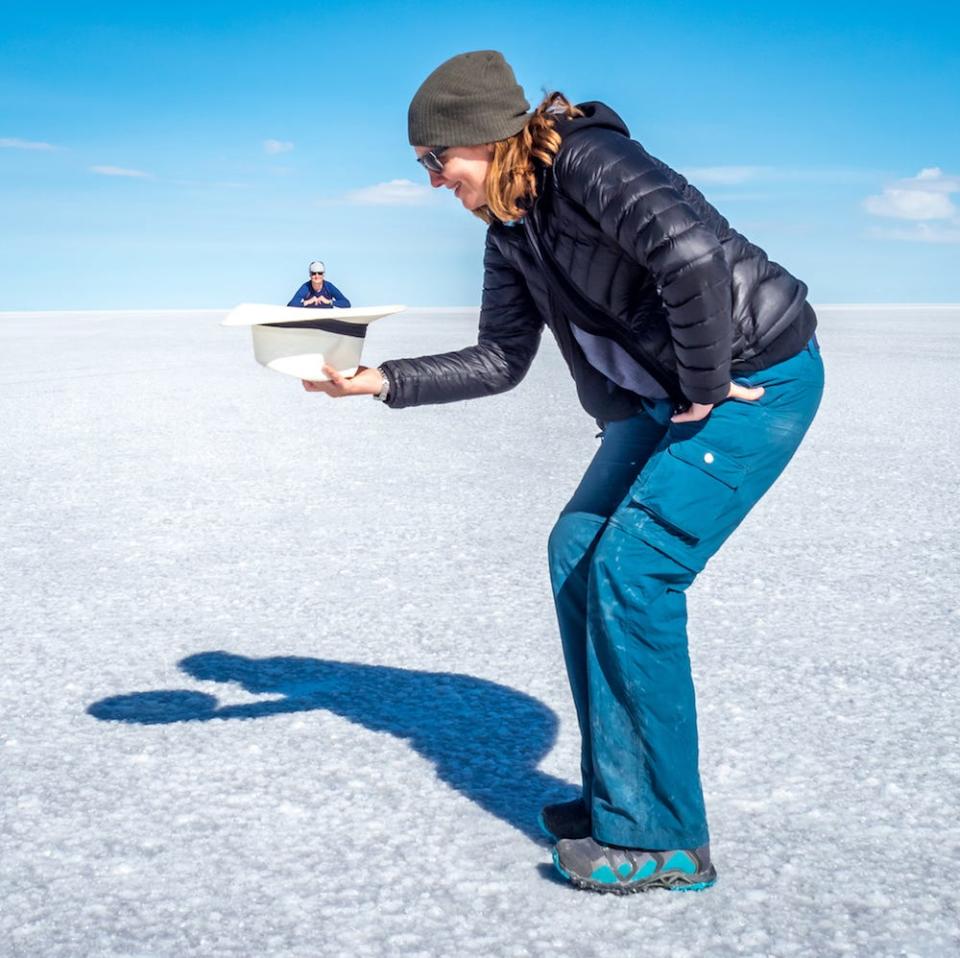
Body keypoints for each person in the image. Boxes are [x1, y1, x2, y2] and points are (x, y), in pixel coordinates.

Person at [302, 50, 824, 894]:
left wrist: (701, 388)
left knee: (634, 568)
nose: (434, 181)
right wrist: (379, 381)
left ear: (483, 137)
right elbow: (502, 359)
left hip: (750, 383)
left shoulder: (589, 159)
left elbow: (691, 259)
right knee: (578, 549)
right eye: (424, 166)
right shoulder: (511, 230)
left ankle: (663, 842)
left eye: (437, 160)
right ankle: (623, 794)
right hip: (670, 396)